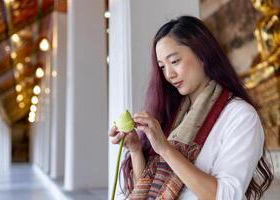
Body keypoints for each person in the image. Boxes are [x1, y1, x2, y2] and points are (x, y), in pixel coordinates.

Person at [108, 16, 273, 200]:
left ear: (202, 55)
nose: (169, 75)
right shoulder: (174, 115)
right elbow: (150, 193)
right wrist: (136, 150)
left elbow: (227, 196)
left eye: (175, 61)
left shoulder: (240, 116)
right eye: (162, 67)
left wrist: (166, 149)